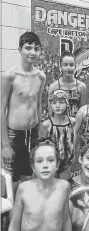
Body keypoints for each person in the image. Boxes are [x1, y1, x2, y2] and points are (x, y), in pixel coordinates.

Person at [1, 31, 46, 194]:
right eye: (28, 48)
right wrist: (5, 145)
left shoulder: (41, 76)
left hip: (32, 133)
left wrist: (40, 130)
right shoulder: (9, 76)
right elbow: (1, 110)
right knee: (10, 181)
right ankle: (8, 218)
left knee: (29, 178)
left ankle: (25, 216)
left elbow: (38, 105)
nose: (33, 52)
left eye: (36, 48)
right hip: (14, 135)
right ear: (19, 49)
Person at [8, 139, 72, 231]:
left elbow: (66, 220)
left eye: (50, 160)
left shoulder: (64, 187)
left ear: (57, 165)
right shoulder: (24, 188)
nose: (45, 165)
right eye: (39, 161)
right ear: (33, 167)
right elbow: (14, 224)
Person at [39, 90, 76, 180]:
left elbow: (73, 141)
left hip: (67, 159)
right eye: (54, 103)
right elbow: (41, 146)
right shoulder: (46, 124)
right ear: (50, 105)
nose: (57, 106)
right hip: (52, 160)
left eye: (61, 102)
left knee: (64, 184)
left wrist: (74, 156)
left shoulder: (72, 121)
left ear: (67, 104)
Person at [48, 50, 87, 118]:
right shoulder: (54, 87)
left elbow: (82, 112)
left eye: (71, 65)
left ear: (75, 66)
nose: (68, 68)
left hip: (76, 125)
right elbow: (51, 112)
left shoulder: (81, 86)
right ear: (61, 67)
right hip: (58, 125)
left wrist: (75, 127)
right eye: (65, 65)